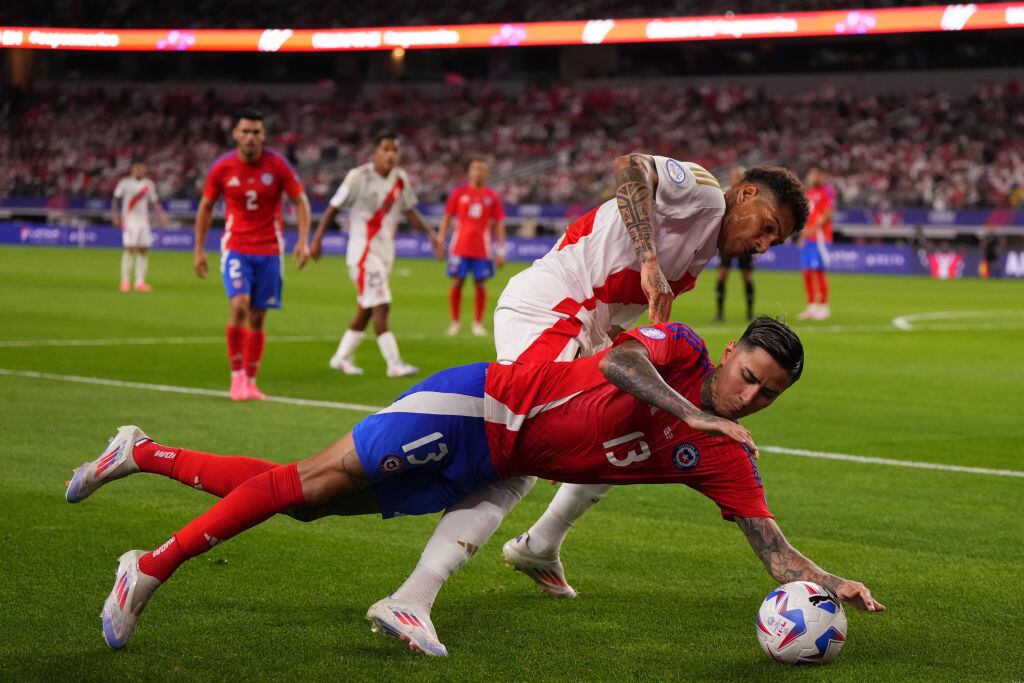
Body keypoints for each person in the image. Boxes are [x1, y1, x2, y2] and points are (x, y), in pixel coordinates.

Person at [65, 317, 885, 655]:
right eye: (749, 376)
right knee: (308, 479)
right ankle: (151, 565)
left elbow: (769, 548)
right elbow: (618, 362)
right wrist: (696, 411)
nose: (750, 396)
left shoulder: (727, 457)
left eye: (767, 393)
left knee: (305, 499)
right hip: (480, 403)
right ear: (733, 353)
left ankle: (140, 452)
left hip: (490, 459)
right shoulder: (681, 351)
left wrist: (826, 580)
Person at [372, 155, 809, 639]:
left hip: (587, 326)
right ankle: (411, 597)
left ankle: (542, 541)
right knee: (518, 461)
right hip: (552, 308)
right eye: (767, 227)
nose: (764, 244)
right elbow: (631, 168)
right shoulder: (706, 194)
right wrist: (647, 259)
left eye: (776, 240)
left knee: (631, 422)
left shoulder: (703, 244)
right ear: (745, 194)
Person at [193, 108, 312, 402]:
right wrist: (199, 251)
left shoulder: (278, 165)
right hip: (236, 247)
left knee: (258, 317)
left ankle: (250, 379)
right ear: (235, 134)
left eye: (256, 132)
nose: (250, 138)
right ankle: (236, 378)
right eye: (245, 132)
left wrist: (303, 240)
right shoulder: (222, 167)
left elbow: (301, 201)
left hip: (270, 250)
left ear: (263, 135)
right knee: (240, 305)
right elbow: (206, 208)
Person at [310, 133, 444, 378]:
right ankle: (394, 363)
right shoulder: (358, 177)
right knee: (382, 304)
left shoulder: (400, 178)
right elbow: (333, 208)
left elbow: (410, 211)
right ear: (376, 153)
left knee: (367, 308)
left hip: (384, 254)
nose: (391, 154)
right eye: (386, 149)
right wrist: (317, 239)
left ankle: (340, 357)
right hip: (363, 253)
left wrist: (432, 237)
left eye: (395, 149)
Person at [438, 158, 507, 337]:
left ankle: (478, 323)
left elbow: (499, 223)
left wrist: (501, 250)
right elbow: (446, 217)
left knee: (480, 285)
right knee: (457, 283)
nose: (478, 172)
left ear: (487, 173)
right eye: (475, 168)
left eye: (482, 169)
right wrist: (441, 240)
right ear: (469, 171)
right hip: (459, 247)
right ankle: (455, 322)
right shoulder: (458, 193)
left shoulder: (491, 196)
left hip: (482, 249)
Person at [111, 160, 169, 292]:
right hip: (130, 220)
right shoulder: (125, 183)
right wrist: (115, 216)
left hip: (143, 221)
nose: (140, 171)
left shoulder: (148, 184)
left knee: (143, 250)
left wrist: (161, 216)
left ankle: (139, 282)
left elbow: (154, 201)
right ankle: (125, 281)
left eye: (142, 168)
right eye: (137, 168)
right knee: (129, 249)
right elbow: (115, 198)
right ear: (132, 170)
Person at [714, 166, 756, 322]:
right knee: (722, 275)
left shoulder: (752, 196)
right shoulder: (726, 193)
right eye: (734, 176)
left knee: (747, 276)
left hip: (745, 242)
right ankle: (719, 314)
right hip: (728, 241)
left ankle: (750, 313)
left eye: (739, 176)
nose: (736, 178)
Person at [798, 168, 835, 321]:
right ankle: (812, 306)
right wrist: (803, 235)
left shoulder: (826, 191)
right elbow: (809, 216)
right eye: (811, 175)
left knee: (818, 272)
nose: (812, 178)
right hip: (808, 239)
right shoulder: (809, 193)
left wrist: (813, 230)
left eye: (815, 175)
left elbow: (827, 213)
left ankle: (824, 307)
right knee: (807, 272)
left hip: (820, 238)